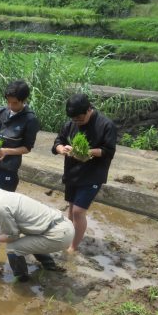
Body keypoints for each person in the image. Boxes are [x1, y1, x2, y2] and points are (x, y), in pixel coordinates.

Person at [0, 173, 74, 282]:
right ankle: (50, 267)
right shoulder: (1, 195)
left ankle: (22, 279)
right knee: (28, 236)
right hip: (63, 226)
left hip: (59, 234)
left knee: (13, 248)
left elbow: (12, 236)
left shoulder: (0, 207)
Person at [52, 93, 117, 253]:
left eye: (80, 119)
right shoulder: (71, 123)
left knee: (79, 211)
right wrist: (62, 149)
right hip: (73, 172)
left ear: (89, 109)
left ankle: (73, 247)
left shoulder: (106, 125)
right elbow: (58, 142)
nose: (77, 122)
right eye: (74, 120)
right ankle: (68, 238)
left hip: (93, 174)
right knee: (72, 208)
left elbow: (108, 151)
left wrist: (85, 151)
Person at [0, 80, 39, 192]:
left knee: (3, 197)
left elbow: (27, 148)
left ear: (24, 100)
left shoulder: (30, 120)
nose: (10, 106)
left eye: (15, 103)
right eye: (8, 102)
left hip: (9, 167)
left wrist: (5, 151)